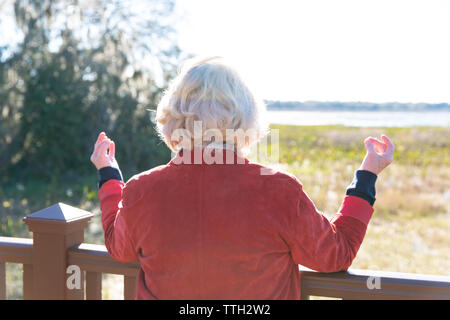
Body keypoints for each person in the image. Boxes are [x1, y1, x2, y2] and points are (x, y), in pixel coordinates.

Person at [90, 56, 394, 299]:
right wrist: (366, 176)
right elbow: (335, 254)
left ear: (173, 117)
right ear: (246, 118)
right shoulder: (278, 190)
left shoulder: (142, 190)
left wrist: (109, 174)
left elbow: (120, 248)